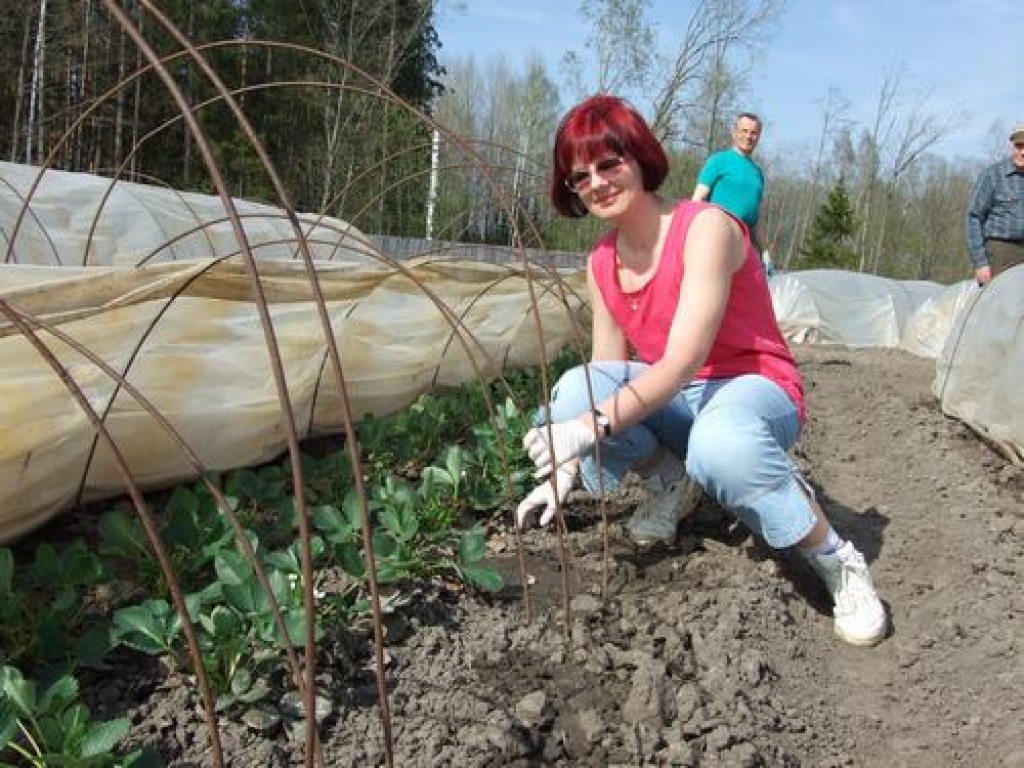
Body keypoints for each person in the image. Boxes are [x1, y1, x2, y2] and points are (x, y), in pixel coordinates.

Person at [515, 94, 886, 647]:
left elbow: (685, 359)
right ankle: (671, 482)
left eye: (608, 163)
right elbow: (604, 372)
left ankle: (835, 557)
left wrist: (587, 426)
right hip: (681, 399)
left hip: (751, 385)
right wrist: (565, 464)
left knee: (722, 446)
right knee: (573, 391)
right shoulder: (601, 263)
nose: (596, 182)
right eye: (579, 176)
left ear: (638, 157)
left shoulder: (706, 229)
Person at [692, 112, 766, 255]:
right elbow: (697, 200)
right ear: (734, 133)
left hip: (744, 246)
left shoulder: (758, 174)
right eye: (744, 131)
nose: (748, 137)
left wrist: (764, 251)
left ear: (758, 137)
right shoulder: (719, 160)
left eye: (753, 133)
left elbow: (755, 219)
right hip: (716, 239)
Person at [965, 124, 1024, 287]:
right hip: (1000, 251)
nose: (1023, 152)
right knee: (1000, 305)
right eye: (1019, 146)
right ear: (1012, 146)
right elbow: (974, 217)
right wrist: (980, 263)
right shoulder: (993, 175)